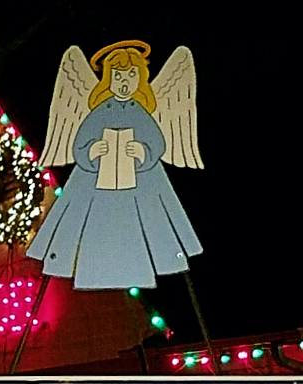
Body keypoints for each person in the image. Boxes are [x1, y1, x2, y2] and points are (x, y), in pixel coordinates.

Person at [26, 43, 202, 291]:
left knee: (141, 225)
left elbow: (156, 141)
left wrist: (142, 151)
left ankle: (139, 268)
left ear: (140, 78)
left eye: (131, 75)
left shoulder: (140, 111)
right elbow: (80, 142)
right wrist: (92, 151)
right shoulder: (98, 112)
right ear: (108, 78)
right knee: (93, 224)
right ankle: (95, 268)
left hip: (140, 183)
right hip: (95, 184)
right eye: (117, 76)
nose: (124, 82)